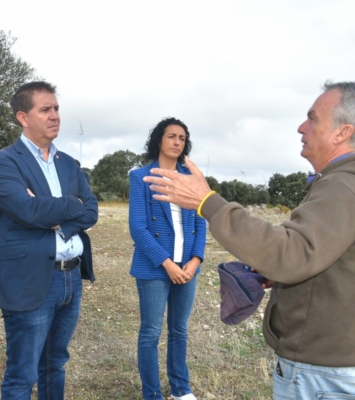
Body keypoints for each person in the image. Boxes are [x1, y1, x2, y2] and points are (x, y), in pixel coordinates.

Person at [143, 82, 355, 398]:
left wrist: (208, 203)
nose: (301, 127)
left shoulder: (341, 186)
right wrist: (273, 271)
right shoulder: (339, 184)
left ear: (342, 132)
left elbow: (294, 254)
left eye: (312, 118)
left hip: (322, 372)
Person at [0, 81, 98, 400]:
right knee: (22, 374)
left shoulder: (69, 164)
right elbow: (27, 210)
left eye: (57, 109)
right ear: (23, 117)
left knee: (55, 365)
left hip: (71, 278)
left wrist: (51, 212)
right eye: (45, 109)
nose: (55, 116)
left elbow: (90, 212)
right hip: (30, 279)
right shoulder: (5, 162)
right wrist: (70, 204)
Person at [129, 117, 206, 400]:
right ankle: (152, 394)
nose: (177, 142)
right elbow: (138, 227)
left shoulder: (190, 179)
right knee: (150, 332)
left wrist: (195, 260)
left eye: (182, 138)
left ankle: (181, 390)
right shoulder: (140, 177)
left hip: (187, 268)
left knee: (179, 330)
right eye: (171, 136)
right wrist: (167, 264)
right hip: (154, 267)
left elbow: (201, 221)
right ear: (159, 140)